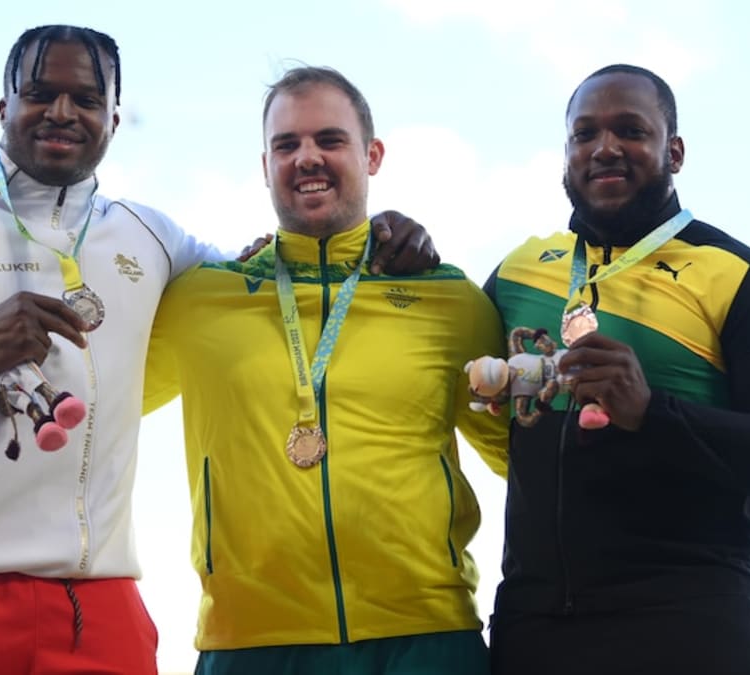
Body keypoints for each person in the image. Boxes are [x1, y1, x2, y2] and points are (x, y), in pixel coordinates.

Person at [0, 26, 431, 675]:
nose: (61, 112)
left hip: (98, 605)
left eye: (85, 99)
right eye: (38, 93)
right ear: (3, 107)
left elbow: (272, 268)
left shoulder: (151, 237)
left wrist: (386, 237)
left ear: (113, 115)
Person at [483, 64, 750, 674]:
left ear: (673, 151)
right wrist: (390, 242)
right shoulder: (518, 272)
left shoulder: (742, 276)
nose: (605, 147)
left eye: (630, 130)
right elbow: (431, 365)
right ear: (567, 152)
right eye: (585, 134)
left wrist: (652, 413)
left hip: (693, 628)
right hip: (534, 630)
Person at [143, 66, 510, 675]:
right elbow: (95, 396)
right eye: (286, 145)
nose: (306, 157)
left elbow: (521, 460)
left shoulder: (450, 301)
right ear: (265, 166)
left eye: (329, 140)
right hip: (249, 646)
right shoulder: (199, 300)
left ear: (372, 155)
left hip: (425, 638)